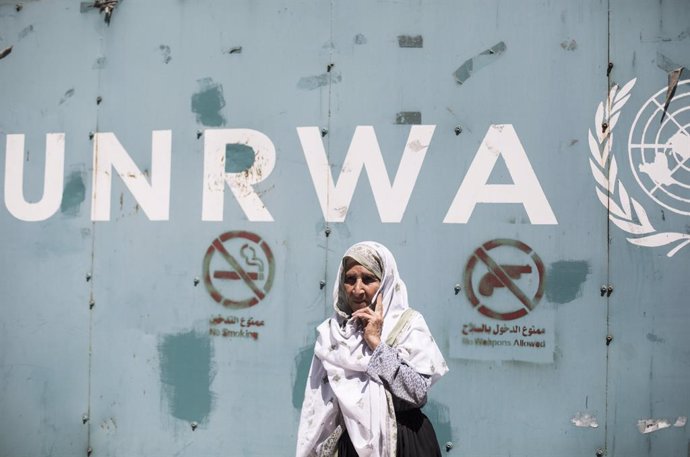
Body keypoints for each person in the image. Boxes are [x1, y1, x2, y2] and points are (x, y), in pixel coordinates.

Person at [296, 241, 448, 457]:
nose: (357, 290)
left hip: (406, 442)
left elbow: (417, 393)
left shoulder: (407, 325)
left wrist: (376, 343)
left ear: (385, 281)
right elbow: (319, 410)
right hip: (353, 446)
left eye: (368, 279)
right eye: (350, 279)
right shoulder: (333, 334)